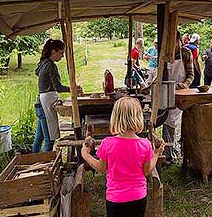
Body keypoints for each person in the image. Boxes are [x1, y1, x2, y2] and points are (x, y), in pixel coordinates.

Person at [81, 97, 165, 217]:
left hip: (115, 199)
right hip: (138, 197)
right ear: (138, 117)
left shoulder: (107, 143)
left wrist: (85, 154)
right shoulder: (145, 144)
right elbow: (147, 170)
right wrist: (156, 153)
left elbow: (101, 168)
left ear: (115, 118)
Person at [33, 39, 82, 153]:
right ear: (53, 51)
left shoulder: (43, 62)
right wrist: (72, 89)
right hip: (46, 103)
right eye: (61, 53)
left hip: (41, 103)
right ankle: (46, 162)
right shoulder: (50, 65)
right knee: (49, 139)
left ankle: (34, 158)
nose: (62, 56)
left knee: (39, 137)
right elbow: (57, 87)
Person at [163, 32, 194, 164]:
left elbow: (190, 74)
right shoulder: (164, 53)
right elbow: (160, 73)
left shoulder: (186, 53)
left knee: (175, 121)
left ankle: (175, 151)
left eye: (173, 43)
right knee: (166, 120)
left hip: (181, 92)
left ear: (178, 41)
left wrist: (185, 84)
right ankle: (167, 153)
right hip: (166, 91)